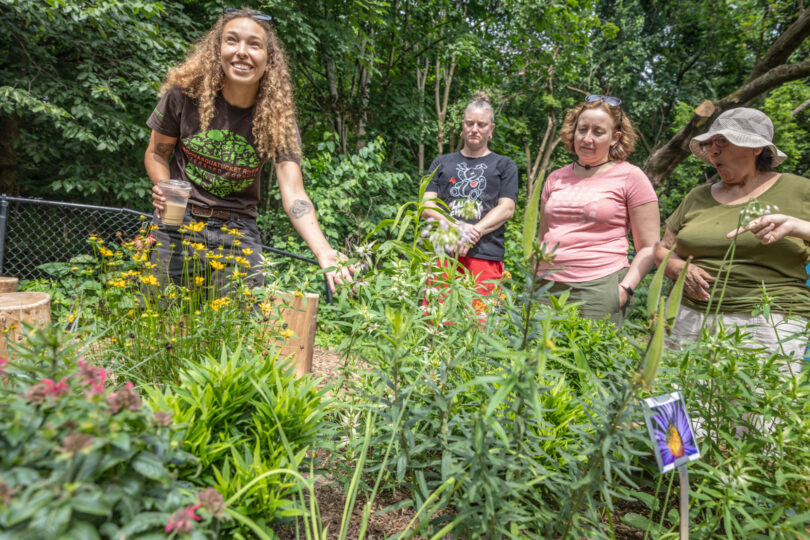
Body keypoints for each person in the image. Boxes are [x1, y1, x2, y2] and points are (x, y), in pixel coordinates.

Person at [144, 8, 352, 293]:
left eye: (254, 44)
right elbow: (157, 152)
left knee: (244, 329)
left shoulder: (277, 117)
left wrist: (324, 251)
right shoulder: (184, 95)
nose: (242, 51)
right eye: (232, 41)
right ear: (217, 50)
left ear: (269, 59)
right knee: (157, 318)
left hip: (238, 230)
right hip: (179, 220)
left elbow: (294, 193)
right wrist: (165, 186)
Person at [655, 107, 810, 368]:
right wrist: (680, 268)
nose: (712, 150)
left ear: (756, 148)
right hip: (688, 316)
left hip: (767, 321)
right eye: (709, 143)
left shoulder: (799, 189)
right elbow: (662, 250)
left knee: (754, 408)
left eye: (722, 142)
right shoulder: (697, 196)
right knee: (682, 405)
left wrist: (797, 226)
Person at [537, 95, 660, 326]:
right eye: (582, 129)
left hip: (599, 288)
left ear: (615, 138)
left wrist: (625, 289)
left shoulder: (631, 177)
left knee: (592, 360)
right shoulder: (555, 177)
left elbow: (649, 247)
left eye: (598, 132)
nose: (587, 138)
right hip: (545, 285)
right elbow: (543, 235)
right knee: (538, 359)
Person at [421, 92, 519, 299]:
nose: (474, 129)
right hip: (443, 253)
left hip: (485, 254)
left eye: (481, 125)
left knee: (480, 322)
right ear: (462, 125)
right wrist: (457, 227)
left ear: (490, 129)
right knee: (436, 321)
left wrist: (473, 232)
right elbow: (427, 206)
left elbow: (507, 209)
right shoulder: (441, 162)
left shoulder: (505, 165)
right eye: (469, 123)